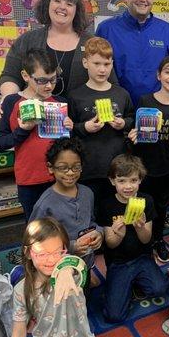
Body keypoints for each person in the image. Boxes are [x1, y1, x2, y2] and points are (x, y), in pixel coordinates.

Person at [0, 0, 111, 103]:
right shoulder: (27, 40)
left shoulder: (92, 43)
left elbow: (110, 81)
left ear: (76, 10)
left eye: (69, 4)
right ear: (47, 4)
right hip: (36, 117)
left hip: (83, 119)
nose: (62, 7)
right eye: (57, 1)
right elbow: (11, 75)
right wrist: (8, 101)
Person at [0, 49, 72, 220]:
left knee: (62, 225)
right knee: (36, 229)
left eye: (53, 79)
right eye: (42, 81)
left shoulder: (60, 102)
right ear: (25, 75)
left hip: (59, 178)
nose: (49, 86)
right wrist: (23, 130)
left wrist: (70, 129)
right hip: (29, 180)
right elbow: (0, 142)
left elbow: (68, 147)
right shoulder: (12, 102)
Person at [128, 56, 169, 263]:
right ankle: (138, 241)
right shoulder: (146, 101)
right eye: (168, 72)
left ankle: (157, 240)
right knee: (139, 204)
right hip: (143, 166)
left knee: (161, 206)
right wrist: (133, 136)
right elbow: (137, 134)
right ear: (158, 74)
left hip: (166, 165)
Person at [98, 154, 169, 322]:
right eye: (121, 181)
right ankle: (124, 285)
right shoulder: (107, 204)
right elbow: (110, 243)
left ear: (140, 180)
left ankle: (135, 282)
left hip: (142, 258)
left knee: (160, 289)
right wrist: (119, 235)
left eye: (132, 180)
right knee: (114, 315)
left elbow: (146, 240)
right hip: (118, 262)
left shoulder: (146, 200)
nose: (128, 186)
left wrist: (140, 228)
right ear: (112, 181)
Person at [11, 217, 96, 337]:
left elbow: (79, 264)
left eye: (57, 252)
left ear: (65, 250)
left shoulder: (72, 272)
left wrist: (66, 269)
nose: (51, 260)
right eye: (42, 254)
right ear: (27, 253)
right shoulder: (21, 290)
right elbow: (18, 335)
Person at [67, 37, 134, 209]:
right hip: (89, 167)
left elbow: (132, 119)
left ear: (112, 63)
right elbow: (68, 129)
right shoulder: (76, 96)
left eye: (106, 64)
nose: (102, 69)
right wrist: (85, 127)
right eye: (96, 63)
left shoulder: (121, 93)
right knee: (91, 210)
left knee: (116, 210)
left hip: (118, 167)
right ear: (85, 62)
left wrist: (123, 124)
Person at [95, 0, 169, 106]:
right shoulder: (106, 29)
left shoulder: (166, 30)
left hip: (157, 109)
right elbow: (95, 71)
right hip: (117, 108)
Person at [30, 138, 103, 271]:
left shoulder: (87, 193)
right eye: (63, 168)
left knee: (85, 290)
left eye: (76, 167)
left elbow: (91, 222)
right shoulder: (45, 204)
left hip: (85, 264)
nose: (70, 172)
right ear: (51, 168)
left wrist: (99, 233)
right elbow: (35, 242)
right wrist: (71, 247)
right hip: (59, 268)